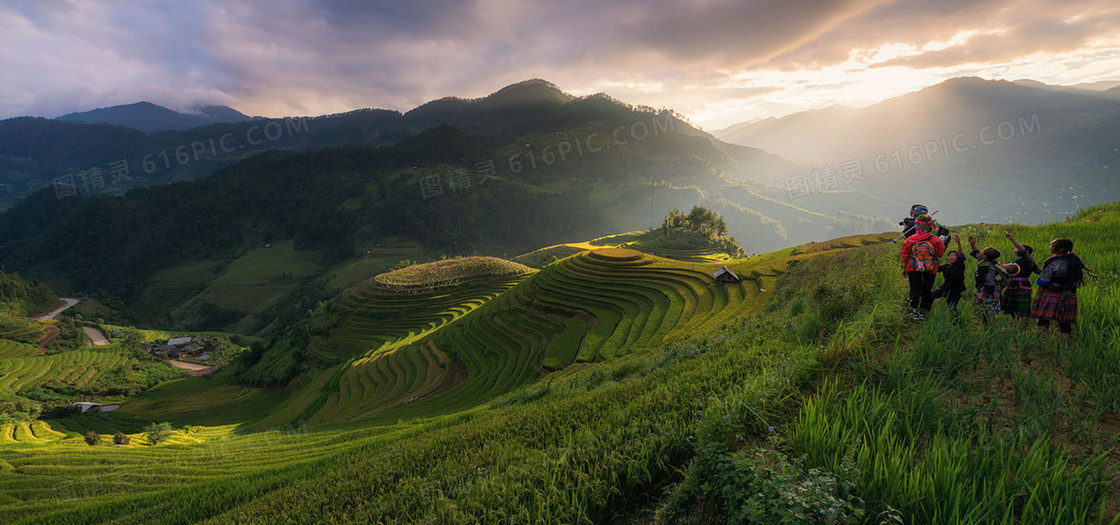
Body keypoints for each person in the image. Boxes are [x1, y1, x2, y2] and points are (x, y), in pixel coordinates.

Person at [1032, 238, 1085, 341]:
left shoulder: (1053, 262)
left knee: (1043, 320)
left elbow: (1044, 280)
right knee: (1065, 323)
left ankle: (1038, 343)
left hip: (1051, 294)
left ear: (1061, 249)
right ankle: (1065, 347)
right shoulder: (1076, 261)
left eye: (1052, 245)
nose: (1050, 247)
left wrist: (1038, 294)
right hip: (1069, 295)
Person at [900, 215, 946, 320]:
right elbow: (940, 253)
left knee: (914, 288)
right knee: (927, 289)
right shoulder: (935, 240)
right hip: (931, 268)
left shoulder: (910, 240)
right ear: (930, 227)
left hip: (913, 268)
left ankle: (914, 311)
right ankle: (923, 312)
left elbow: (905, 255)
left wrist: (904, 268)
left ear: (917, 226)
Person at [967, 235, 1009, 318]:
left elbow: (990, 283)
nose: (980, 251)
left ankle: (990, 328)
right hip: (986, 289)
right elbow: (976, 254)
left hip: (988, 292)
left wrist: (982, 294)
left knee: (989, 313)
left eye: (982, 250)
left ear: (985, 256)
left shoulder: (988, 267)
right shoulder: (989, 261)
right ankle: (987, 328)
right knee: (985, 313)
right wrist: (972, 244)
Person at [1002, 232, 1040, 318]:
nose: (1016, 249)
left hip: (1021, 286)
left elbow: (1023, 252)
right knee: (1012, 308)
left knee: (1022, 311)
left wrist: (1012, 239)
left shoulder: (1028, 259)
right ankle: (1015, 325)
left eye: (1018, 248)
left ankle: (1022, 326)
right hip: (1012, 285)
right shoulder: (1016, 261)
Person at [932, 234, 967, 312]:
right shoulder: (946, 266)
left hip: (955, 290)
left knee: (952, 307)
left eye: (954, 255)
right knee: (931, 296)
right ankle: (925, 311)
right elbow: (934, 269)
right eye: (949, 255)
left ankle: (956, 323)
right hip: (945, 288)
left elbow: (960, 255)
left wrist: (959, 243)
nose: (951, 257)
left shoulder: (959, 265)